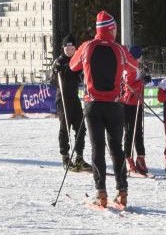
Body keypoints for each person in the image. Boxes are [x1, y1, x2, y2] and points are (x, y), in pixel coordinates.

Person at [68, 11, 142, 209]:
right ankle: (122, 191)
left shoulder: (87, 46)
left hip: (92, 104)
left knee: (97, 148)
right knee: (116, 147)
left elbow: (73, 65)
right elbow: (135, 69)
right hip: (115, 105)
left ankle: (101, 192)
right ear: (112, 29)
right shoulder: (119, 49)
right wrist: (124, 73)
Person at [49, 36, 89, 172]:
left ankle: (79, 156)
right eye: (68, 48)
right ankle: (65, 157)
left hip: (74, 99)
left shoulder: (77, 61)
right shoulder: (58, 61)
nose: (70, 51)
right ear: (63, 48)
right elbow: (52, 82)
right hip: (63, 99)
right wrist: (56, 72)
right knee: (64, 128)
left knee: (81, 127)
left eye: (72, 48)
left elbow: (83, 76)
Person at [122, 45, 149, 177]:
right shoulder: (129, 68)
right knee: (130, 131)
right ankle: (128, 158)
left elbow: (139, 83)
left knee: (138, 131)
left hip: (137, 102)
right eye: (140, 56)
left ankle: (140, 157)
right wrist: (142, 82)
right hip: (129, 103)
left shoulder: (137, 67)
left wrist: (144, 78)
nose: (141, 58)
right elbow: (129, 87)